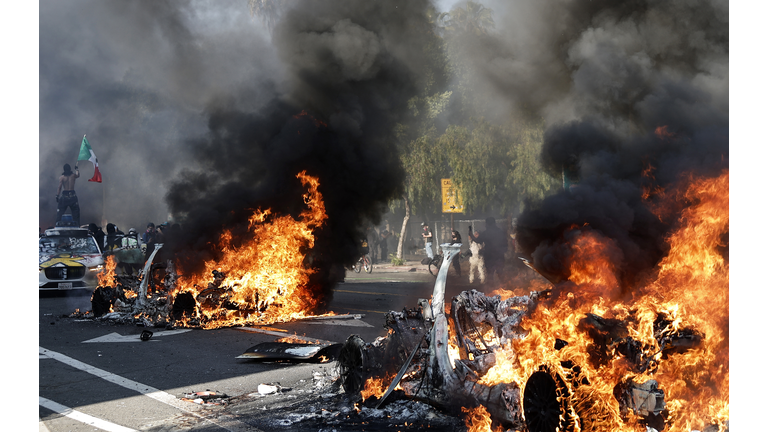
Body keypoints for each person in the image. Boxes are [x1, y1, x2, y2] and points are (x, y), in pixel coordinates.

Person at [467, 217, 507, 283]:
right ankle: (503, 286)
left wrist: (470, 232)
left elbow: (477, 240)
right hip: (499, 256)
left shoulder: (486, 233)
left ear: (488, 224)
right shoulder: (500, 232)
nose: (485, 225)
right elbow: (505, 243)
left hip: (489, 256)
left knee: (490, 274)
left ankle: (490, 289)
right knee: (500, 272)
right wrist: (504, 251)